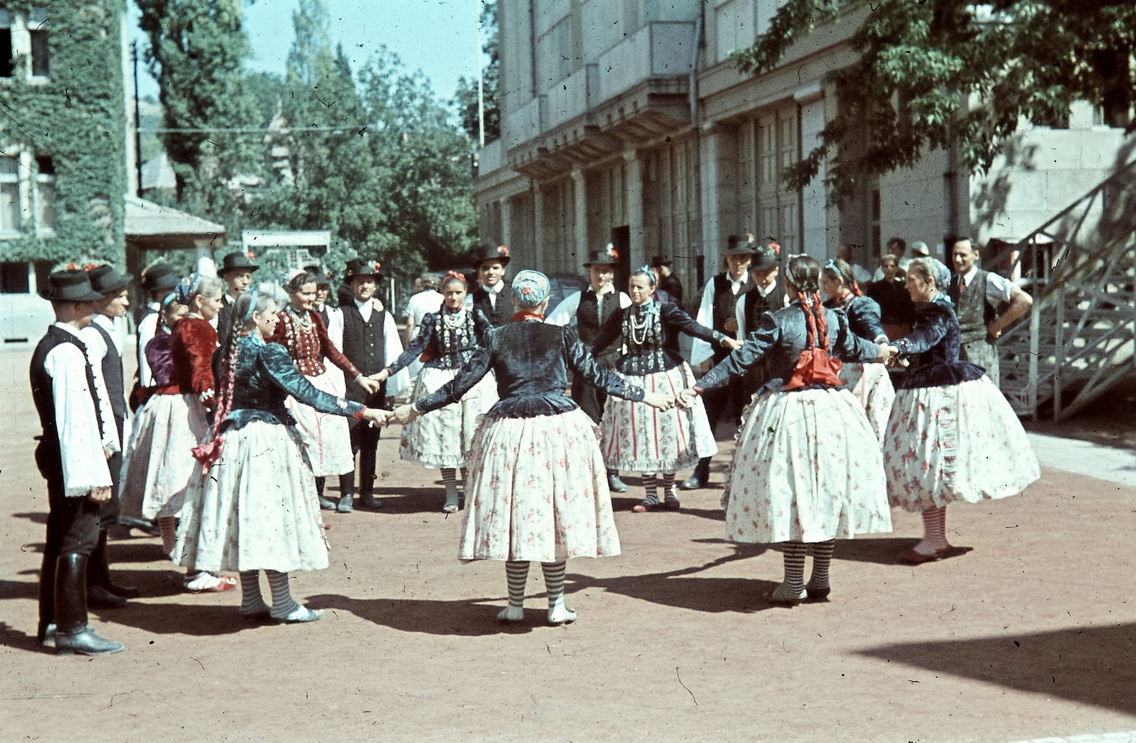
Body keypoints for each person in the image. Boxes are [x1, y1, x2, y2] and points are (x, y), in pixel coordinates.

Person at [388, 270, 675, 625]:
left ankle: (515, 604)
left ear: (513, 301)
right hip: (559, 432)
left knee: (517, 516)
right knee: (554, 514)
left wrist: (413, 409)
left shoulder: (495, 336)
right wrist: (646, 395)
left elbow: (459, 384)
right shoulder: (561, 334)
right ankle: (556, 604)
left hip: (509, 434)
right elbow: (597, 375)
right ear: (544, 303)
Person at [677, 255, 894, 606]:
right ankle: (820, 578)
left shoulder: (778, 320)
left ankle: (794, 583)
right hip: (832, 412)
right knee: (824, 492)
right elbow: (858, 349)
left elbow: (741, 359)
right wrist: (886, 352)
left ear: (790, 286)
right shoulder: (833, 318)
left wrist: (700, 386)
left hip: (787, 412)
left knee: (792, 494)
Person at [174, 290, 388, 624]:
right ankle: (284, 602)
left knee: (244, 518)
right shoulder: (269, 352)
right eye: (271, 314)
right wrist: (361, 411)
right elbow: (308, 393)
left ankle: (252, 599)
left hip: (231, 440)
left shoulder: (224, 352)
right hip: (264, 440)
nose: (276, 320)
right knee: (272, 521)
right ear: (255, 318)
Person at [884, 257, 1040, 563]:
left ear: (928, 281)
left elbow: (924, 338)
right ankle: (935, 538)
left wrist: (897, 347)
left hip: (937, 392)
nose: (906, 284)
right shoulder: (934, 307)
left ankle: (933, 539)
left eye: (911, 278)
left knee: (927, 461)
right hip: (929, 387)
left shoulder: (938, 310)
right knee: (929, 465)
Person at [29, 266, 124, 655]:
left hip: (62, 457)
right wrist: (90, 476)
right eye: (86, 299)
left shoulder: (62, 344)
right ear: (71, 305)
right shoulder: (65, 351)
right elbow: (75, 422)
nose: (94, 304)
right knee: (77, 540)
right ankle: (72, 628)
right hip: (73, 460)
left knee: (60, 540)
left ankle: (53, 622)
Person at [591, 267, 738, 512]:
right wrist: (573, 357)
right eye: (631, 286)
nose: (635, 291)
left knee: (667, 434)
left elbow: (693, 327)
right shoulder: (622, 315)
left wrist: (723, 339)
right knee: (642, 434)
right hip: (634, 381)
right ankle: (650, 495)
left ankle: (669, 491)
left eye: (640, 287)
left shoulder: (666, 310)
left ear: (652, 289)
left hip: (667, 377)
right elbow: (600, 342)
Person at [374, 272, 496, 512]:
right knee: (446, 438)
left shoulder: (475, 317)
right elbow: (414, 349)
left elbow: (493, 342)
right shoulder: (432, 319)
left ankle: (470, 489)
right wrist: (389, 371)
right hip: (438, 379)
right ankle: (451, 492)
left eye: (458, 292)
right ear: (443, 293)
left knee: (470, 435)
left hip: (470, 379)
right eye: (449, 292)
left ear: (465, 293)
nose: (453, 297)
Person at [270, 269, 381, 514]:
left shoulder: (314, 317)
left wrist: (358, 376)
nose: (311, 298)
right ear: (290, 291)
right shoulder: (279, 318)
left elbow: (330, 349)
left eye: (314, 293)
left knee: (336, 435)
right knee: (303, 439)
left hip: (321, 380)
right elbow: (270, 349)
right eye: (305, 293)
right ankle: (308, 496)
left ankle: (344, 495)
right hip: (294, 386)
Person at [166, 274, 236, 592]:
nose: (220, 305)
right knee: (204, 488)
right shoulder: (197, 327)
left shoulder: (186, 324)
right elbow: (201, 367)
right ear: (199, 300)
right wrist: (214, 404)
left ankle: (200, 566)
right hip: (199, 410)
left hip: (191, 406)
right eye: (217, 300)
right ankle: (198, 571)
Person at [545, 243, 632, 492]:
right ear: (590, 273)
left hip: (613, 364)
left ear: (612, 273)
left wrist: (623, 358)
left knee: (612, 417)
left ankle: (612, 472)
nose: (601, 276)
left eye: (605, 271)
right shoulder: (578, 298)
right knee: (587, 417)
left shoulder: (622, 299)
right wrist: (567, 351)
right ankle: (590, 471)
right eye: (596, 271)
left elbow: (630, 330)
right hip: (585, 366)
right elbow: (554, 322)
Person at [79, 264, 140, 608]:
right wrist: (107, 434)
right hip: (106, 429)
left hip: (115, 424)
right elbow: (96, 390)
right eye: (120, 296)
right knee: (100, 509)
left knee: (108, 507)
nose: (126, 302)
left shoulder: (107, 329)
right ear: (101, 299)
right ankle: (94, 584)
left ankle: (102, 580)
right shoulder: (93, 334)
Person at [683, 233, 757, 490]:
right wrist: (704, 356)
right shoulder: (716, 284)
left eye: (743, 258)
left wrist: (742, 324)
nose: (738, 263)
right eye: (734, 257)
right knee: (709, 415)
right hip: (719, 360)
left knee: (744, 416)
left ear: (750, 260)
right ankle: (701, 471)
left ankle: (746, 472)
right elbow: (703, 318)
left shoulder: (754, 285)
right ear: (727, 258)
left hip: (747, 362)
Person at [339, 259, 410, 509]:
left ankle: (367, 491)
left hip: (376, 389)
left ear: (375, 285)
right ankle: (346, 493)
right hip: (350, 388)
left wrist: (390, 388)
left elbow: (393, 351)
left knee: (371, 442)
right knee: (349, 441)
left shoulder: (384, 314)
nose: (364, 286)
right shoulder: (341, 314)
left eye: (369, 281)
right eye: (359, 281)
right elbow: (336, 351)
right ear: (351, 284)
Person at [120, 291, 190, 534]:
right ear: (164, 315)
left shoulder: (191, 336)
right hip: (168, 407)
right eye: (178, 312)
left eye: (186, 312)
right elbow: (164, 374)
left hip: (190, 409)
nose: (183, 317)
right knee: (168, 469)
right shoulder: (158, 342)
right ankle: (170, 534)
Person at [821, 258, 895, 440]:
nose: (823, 288)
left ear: (838, 281)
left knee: (864, 425)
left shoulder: (860, 305)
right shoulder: (827, 307)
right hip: (835, 371)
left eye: (825, 282)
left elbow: (874, 328)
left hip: (860, 371)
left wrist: (882, 345)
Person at [948, 237, 1033, 387]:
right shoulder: (952, 283)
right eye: (955, 254)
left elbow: (1024, 300)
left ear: (976, 255)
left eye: (963, 255)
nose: (957, 259)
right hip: (955, 357)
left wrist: (998, 326)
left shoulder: (988, 279)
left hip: (979, 356)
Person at [740, 242, 787, 399]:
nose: (762, 279)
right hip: (754, 366)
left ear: (776, 270)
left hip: (779, 364)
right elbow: (741, 335)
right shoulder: (744, 300)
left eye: (766, 273)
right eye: (757, 274)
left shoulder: (785, 297)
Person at [132, 261, 179, 405]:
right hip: (154, 390)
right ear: (160, 292)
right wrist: (147, 394)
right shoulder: (151, 319)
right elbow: (146, 357)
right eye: (171, 289)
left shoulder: (163, 314)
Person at [867, 254, 916, 340]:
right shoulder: (874, 288)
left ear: (897, 268)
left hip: (903, 328)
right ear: (882, 269)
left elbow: (911, 308)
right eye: (886, 266)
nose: (889, 269)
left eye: (892, 266)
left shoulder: (904, 287)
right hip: (884, 328)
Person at [215, 251, 259, 345]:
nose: (245, 282)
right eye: (240, 276)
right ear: (226, 278)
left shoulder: (255, 305)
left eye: (248, 277)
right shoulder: (218, 307)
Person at [467, 243, 512, 327]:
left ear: (503, 271)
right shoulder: (472, 299)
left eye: (495, 268)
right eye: (485, 268)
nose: (491, 272)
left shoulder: (514, 295)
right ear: (479, 271)